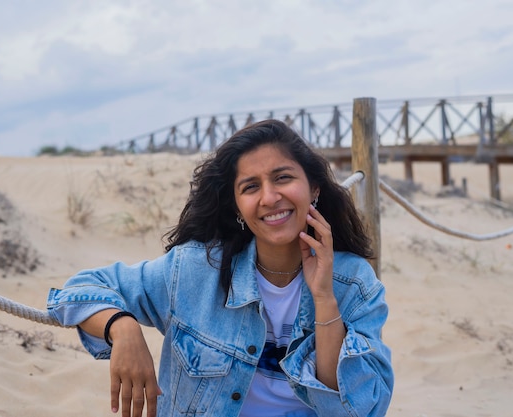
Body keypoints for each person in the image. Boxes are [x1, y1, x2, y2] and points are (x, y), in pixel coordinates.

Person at [47, 119, 394, 417]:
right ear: (237, 206)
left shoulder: (354, 284)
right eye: (251, 186)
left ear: (314, 188)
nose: (270, 197)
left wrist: (324, 299)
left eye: (283, 178)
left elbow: (359, 409)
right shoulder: (195, 271)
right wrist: (122, 329)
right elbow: (78, 290)